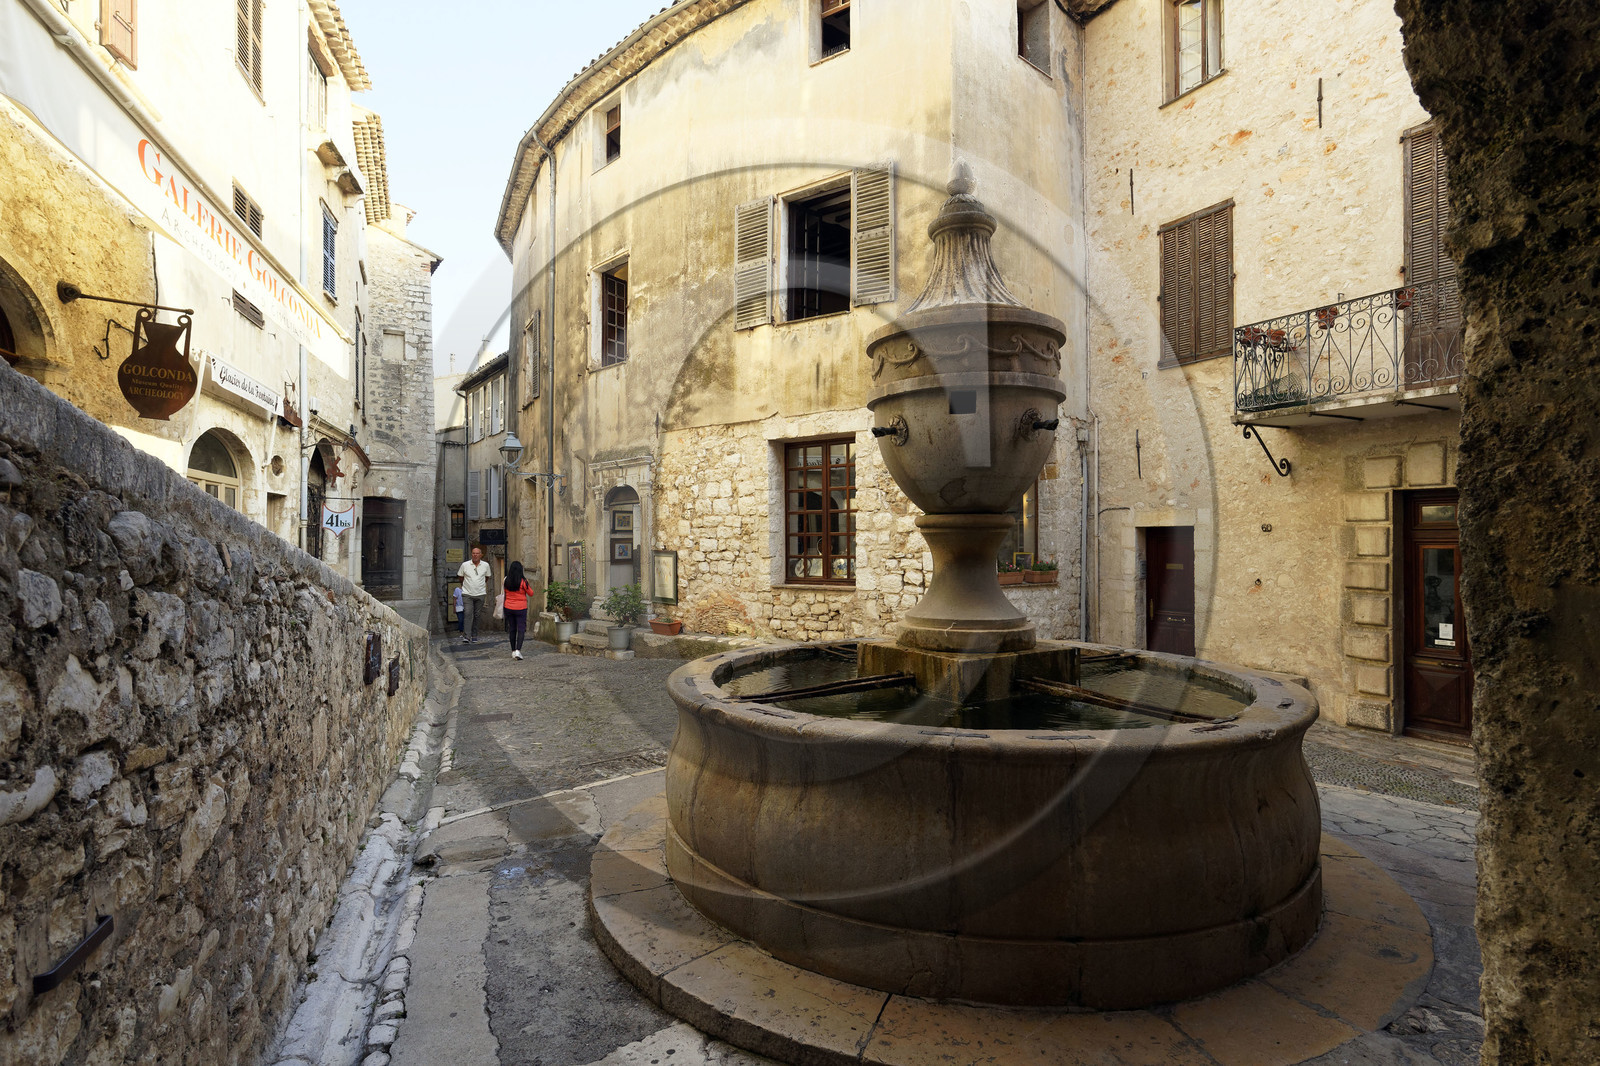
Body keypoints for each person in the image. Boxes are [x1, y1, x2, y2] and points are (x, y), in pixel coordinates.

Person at [456, 546, 492, 644]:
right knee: (468, 613)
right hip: (467, 594)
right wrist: (466, 585)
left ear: (481, 555)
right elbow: (460, 577)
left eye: (477, 553)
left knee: (477, 615)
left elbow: (487, 578)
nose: (475, 555)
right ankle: (466, 636)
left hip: (480, 594)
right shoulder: (465, 565)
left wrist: (479, 585)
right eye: (473, 553)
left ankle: (474, 634)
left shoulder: (485, 565)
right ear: (471, 554)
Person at [502, 560, 533, 660]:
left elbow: (504, 592)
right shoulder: (523, 581)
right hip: (520, 608)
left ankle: (512, 650)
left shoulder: (506, 580)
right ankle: (518, 651)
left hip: (508, 607)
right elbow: (531, 593)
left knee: (512, 629)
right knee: (521, 629)